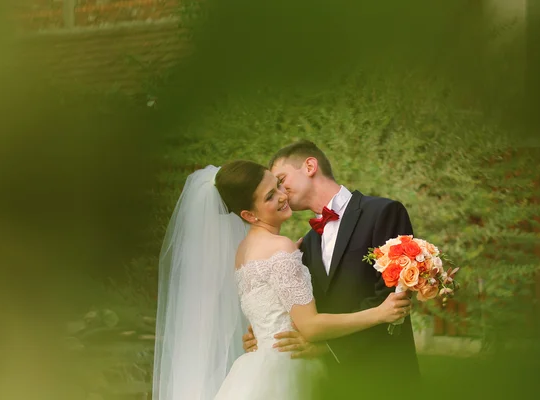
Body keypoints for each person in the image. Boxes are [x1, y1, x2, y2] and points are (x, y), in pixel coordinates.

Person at [152, 160, 411, 400]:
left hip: (254, 369)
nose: (282, 196)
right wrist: (379, 313)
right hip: (288, 370)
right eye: (269, 196)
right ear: (249, 215)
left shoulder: (242, 251)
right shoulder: (280, 248)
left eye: (277, 185)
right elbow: (309, 326)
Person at [242, 140, 421, 399]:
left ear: (310, 166)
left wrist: (327, 346)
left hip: (385, 378)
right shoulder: (305, 243)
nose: (280, 192)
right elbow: (305, 305)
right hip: (329, 385)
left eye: (281, 180)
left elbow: (392, 301)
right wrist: (266, 333)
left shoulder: (383, 212)